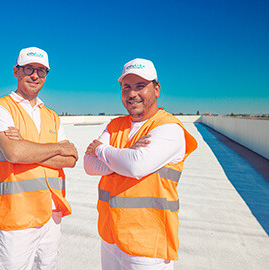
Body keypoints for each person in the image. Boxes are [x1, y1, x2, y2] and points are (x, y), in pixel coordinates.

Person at [84, 58, 197, 270]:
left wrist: (101, 150)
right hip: (110, 238)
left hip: (147, 248)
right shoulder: (115, 125)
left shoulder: (168, 128)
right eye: (126, 87)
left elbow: (136, 166)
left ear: (156, 89)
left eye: (140, 86)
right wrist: (124, 157)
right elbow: (88, 165)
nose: (132, 93)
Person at [0, 47, 78, 270]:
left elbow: (71, 158)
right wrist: (55, 149)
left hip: (52, 213)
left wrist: (26, 146)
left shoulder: (50, 115)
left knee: (47, 266)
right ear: (16, 71)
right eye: (29, 69)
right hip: (17, 214)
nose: (35, 75)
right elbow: (14, 153)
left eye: (42, 71)